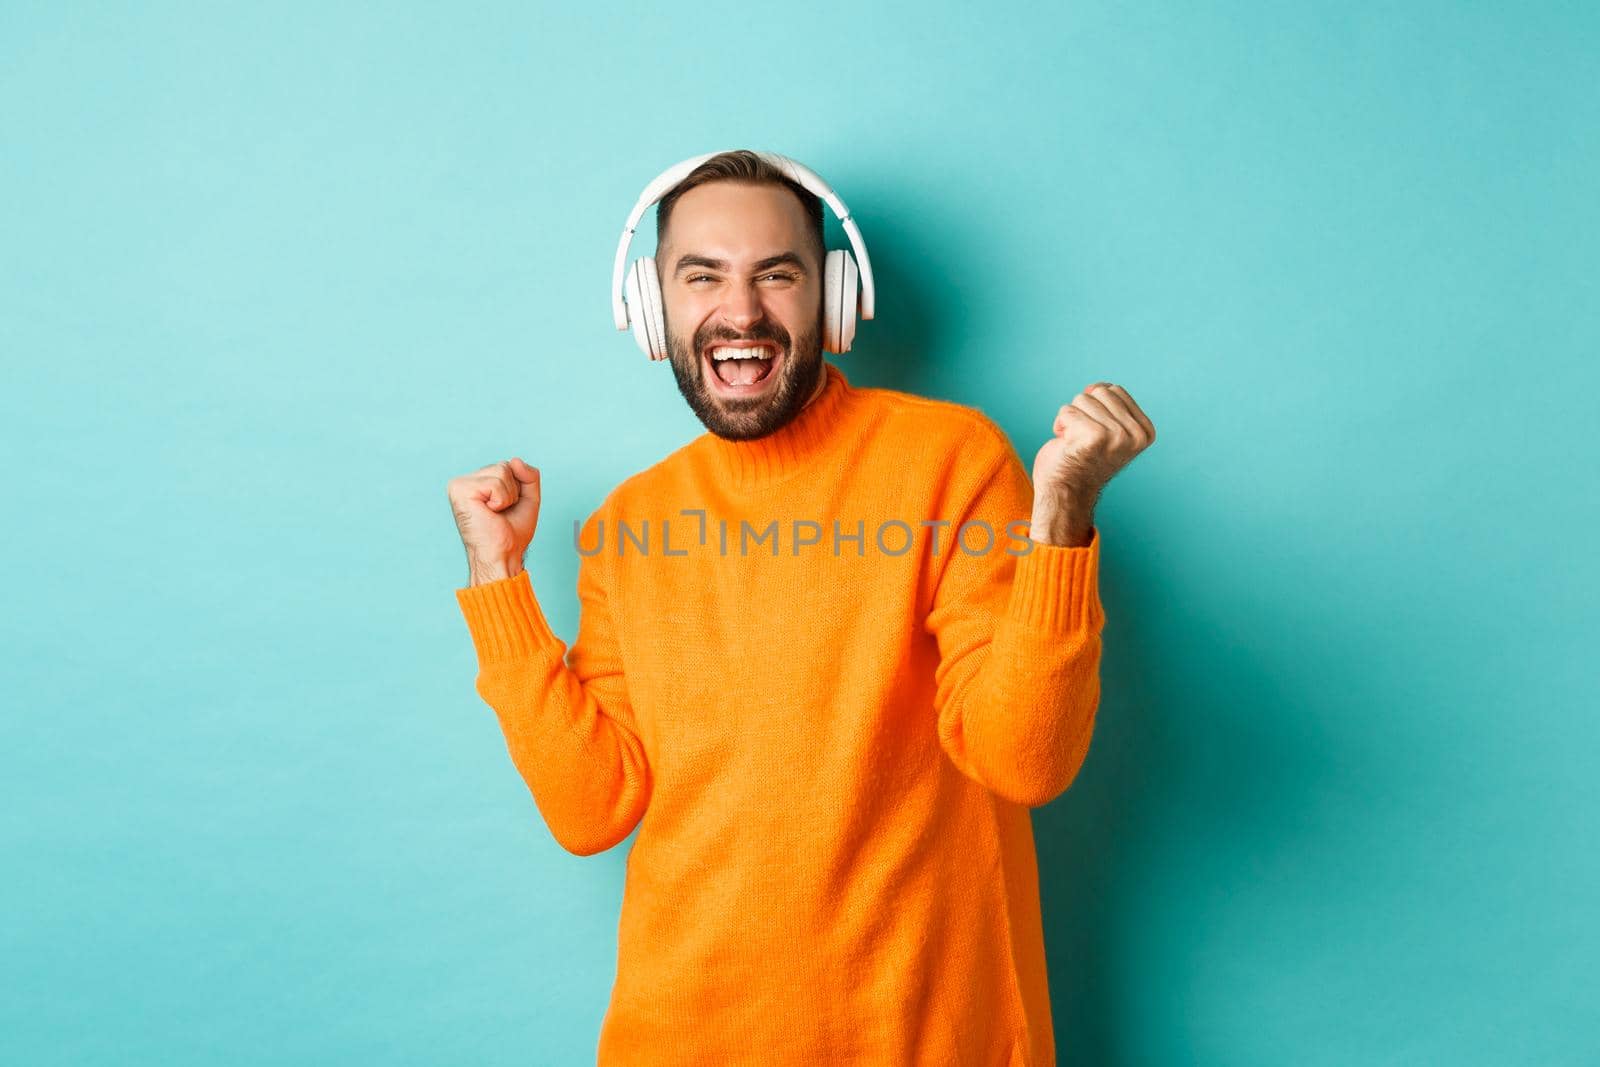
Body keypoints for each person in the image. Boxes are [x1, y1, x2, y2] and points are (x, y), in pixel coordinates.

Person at [445, 149, 1155, 1066]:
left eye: (775, 275)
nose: (739, 314)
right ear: (651, 307)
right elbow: (592, 808)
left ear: (836, 294)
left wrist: (1061, 522)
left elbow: (1024, 760)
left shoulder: (953, 461)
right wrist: (497, 578)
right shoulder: (629, 524)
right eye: (701, 276)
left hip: (925, 1038)